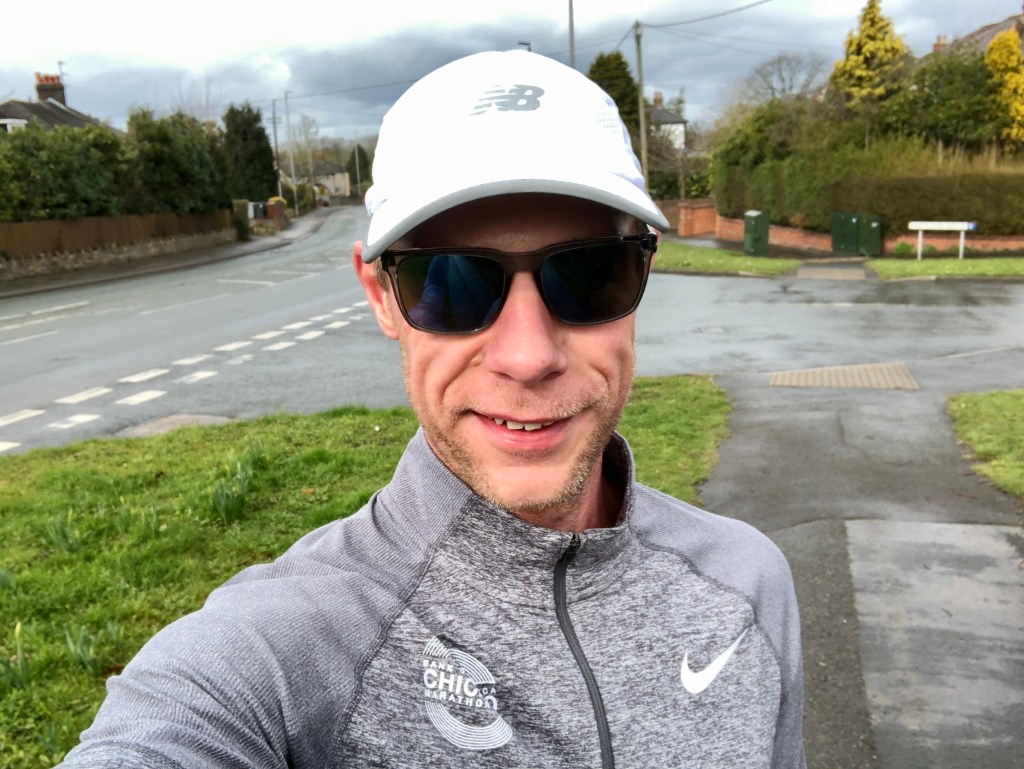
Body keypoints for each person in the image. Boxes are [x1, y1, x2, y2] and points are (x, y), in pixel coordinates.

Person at [59, 50, 804, 768]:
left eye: (588, 272)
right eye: (450, 283)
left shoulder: (748, 581)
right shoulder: (282, 650)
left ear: (644, 268)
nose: (527, 355)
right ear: (381, 295)